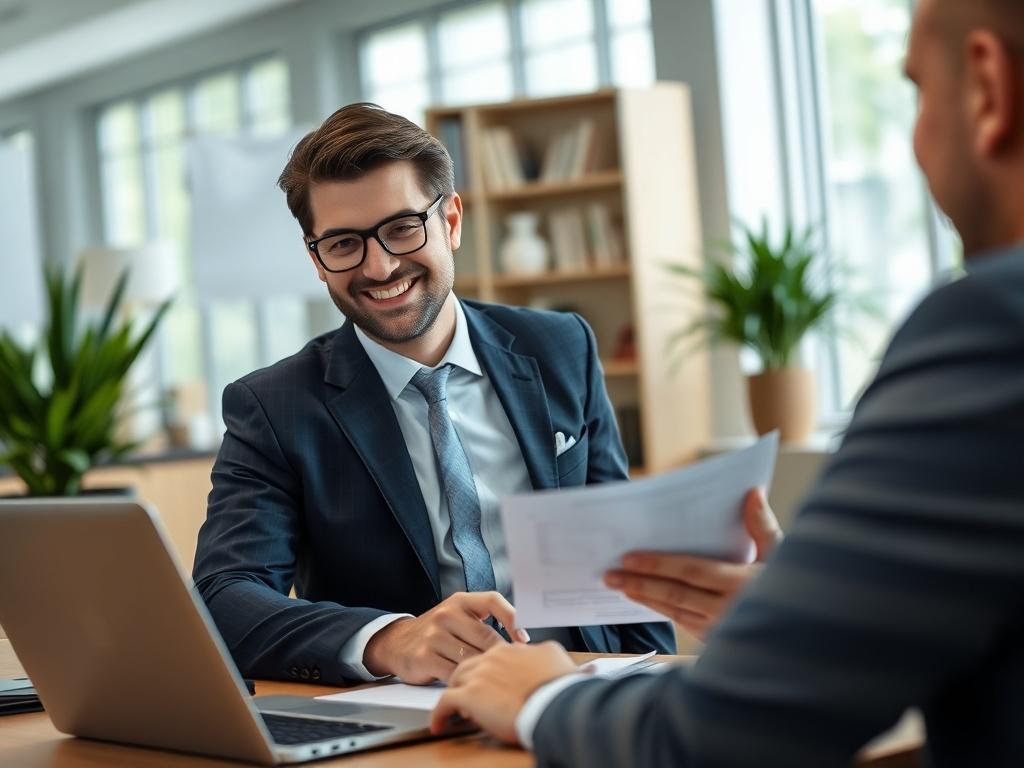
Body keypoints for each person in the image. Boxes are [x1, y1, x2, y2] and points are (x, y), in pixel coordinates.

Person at [431, 0, 1024, 764]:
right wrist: (814, 614)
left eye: (916, 90)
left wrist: (543, 695)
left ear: (985, 88)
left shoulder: (991, 325)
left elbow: (719, 738)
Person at [192, 103, 775, 687]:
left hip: (583, 690)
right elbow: (225, 597)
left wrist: (653, 682)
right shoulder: (274, 406)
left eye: (402, 227)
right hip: (417, 712)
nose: (381, 264)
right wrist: (390, 640)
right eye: (344, 243)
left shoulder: (560, 347)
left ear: (451, 221)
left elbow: (624, 561)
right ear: (316, 260)